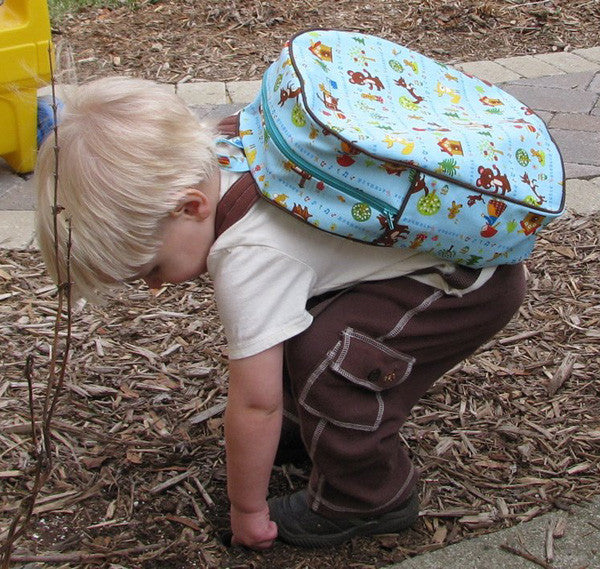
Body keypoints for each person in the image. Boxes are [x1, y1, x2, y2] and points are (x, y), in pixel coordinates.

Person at [35, 76, 527, 550]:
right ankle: (315, 425)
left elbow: (255, 403)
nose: (155, 285)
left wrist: (246, 508)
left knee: (332, 363)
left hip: (461, 285)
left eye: (151, 267)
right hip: (425, 261)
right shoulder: (231, 139)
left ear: (190, 207)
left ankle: (368, 499)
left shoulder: (249, 254)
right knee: (297, 331)